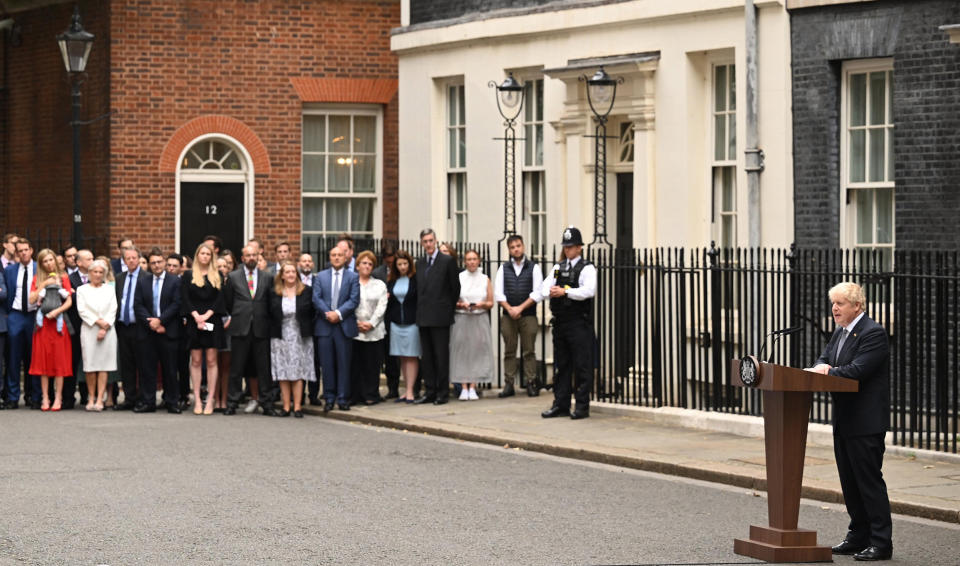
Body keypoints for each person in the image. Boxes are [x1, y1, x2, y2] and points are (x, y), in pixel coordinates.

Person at [809, 282, 893, 561]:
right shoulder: (841, 332)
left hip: (866, 422)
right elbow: (825, 357)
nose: (834, 308)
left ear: (857, 306)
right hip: (844, 420)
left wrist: (828, 370)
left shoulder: (873, 333)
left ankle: (881, 543)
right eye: (833, 303)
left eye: (840, 303)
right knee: (850, 482)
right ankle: (858, 536)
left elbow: (858, 370)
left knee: (868, 482)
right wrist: (823, 366)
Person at [540, 226, 596, 420]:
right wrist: (553, 291)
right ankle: (561, 404)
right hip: (561, 322)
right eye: (566, 247)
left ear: (579, 247)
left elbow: (589, 291)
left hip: (578, 323)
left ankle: (581, 406)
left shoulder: (587, 268)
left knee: (581, 365)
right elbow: (544, 288)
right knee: (562, 365)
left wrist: (566, 292)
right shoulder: (559, 268)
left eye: (571, 247)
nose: (568, 250)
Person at [223, 244, 278, 416]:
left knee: (263, 368)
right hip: (241, 327)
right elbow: (228, 302)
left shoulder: (267, 277)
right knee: (236, 368)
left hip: (261, 328)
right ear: (243, 258)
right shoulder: (233, 277)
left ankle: (267, 404)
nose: (251, 258)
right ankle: (232, 402)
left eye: (254, 255)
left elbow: (271, 303)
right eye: (248, 255)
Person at [414, 228, 460, 405]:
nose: (428, 244)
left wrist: (447, 308)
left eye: (430, 241)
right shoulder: (420, 263)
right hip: (423, 315)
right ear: (421, 243)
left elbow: (455, 288)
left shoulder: (447, 261)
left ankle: (442, 392)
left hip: (440, 316)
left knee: (441, 356)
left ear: (436, 241)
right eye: (425, 241)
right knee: (427, 357)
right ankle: (430, 390)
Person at [494, 234, 543, 397]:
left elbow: (538, 293)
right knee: (509, 350)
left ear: (523, 247)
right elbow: (498, 293)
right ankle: (509, 384)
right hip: (508, 316)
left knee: (529, 350)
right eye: (512, 247)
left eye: (518, 246)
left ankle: (531, 382)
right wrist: (510, 309)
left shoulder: (534, 267)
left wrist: (520, 308)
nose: (516, 249)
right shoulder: (503, 268)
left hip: (528, 315)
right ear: (509, 250)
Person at [134, 248, 182, 413]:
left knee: (170, 368)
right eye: (153, 262)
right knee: (147, 369)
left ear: (164, 262)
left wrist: (161, 321)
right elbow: (138, 305)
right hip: (148, 332)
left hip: (168, 331)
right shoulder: (143, 281)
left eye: (159, 262)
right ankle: (148, 402)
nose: (156, 265)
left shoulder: (175, 281)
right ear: (149, 264)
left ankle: (171, 401)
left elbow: (176, 304)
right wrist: (152, 323)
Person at [312, 245, 360, 411]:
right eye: (334, 255)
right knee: (327, 364)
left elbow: (354, 300)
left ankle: (343, 398)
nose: (337, 257)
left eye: (340, 255)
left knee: (344, 363)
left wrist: (338, 313)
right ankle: (329, 398)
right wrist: (328, 313)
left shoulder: (353, 277)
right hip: (325, 326)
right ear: (330, 257)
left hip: (343, 326)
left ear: (345, 257)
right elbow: (316, 298)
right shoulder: (320, 276)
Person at [181, 243, 226, 415]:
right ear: (197, 255)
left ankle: (210, 399)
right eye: (202, 253)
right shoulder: (188, 275)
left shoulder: (218, 275)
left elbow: (220, 299)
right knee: (196, 360)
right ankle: (198, 399)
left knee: (212, 360)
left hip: (211, 321)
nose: (205, 256)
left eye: (208, 254)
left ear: (211, 257)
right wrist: (195, 316)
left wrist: (206, 316)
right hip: (194, 321)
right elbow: (185, 297)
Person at [28, 248, 74, 411]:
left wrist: (57, 311)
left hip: (58, 324)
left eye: (50, 260)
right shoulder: (37, 279)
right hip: (42, 326)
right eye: (45, 261)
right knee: (43, 363)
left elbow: (69, 301)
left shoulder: (64, 277)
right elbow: (32, 299)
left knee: (59, 362)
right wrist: (44, 284)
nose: (48, 263)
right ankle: (45, 398)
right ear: (41, 264)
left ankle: (58, 398)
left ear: (55, 260)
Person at [268, 261, 315, 417]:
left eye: (293, 272)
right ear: (281, 275)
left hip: (299, 335)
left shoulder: (306, 291)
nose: (290, 275)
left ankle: (297, 407)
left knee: (297, 371)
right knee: (283, 372)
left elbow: (312, 312)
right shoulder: (274, 292)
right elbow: (269, 313)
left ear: (297, 274)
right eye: (287, 272)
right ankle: (286, 406)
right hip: (280, 336)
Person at [450, 249, 494, 401]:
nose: (472, 262)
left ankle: (473, 386)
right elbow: (452, 300)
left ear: (479, 260)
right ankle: (463, 387)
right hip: (462, 317)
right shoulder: (459, 277)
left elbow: (491, 302)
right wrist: (460, 305)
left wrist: (481, 304)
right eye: (469, 259)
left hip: (479, 317)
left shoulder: (485, 279)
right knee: (461, 352)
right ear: (464, 262)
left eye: (474, 259)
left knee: (477, 352)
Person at [75, 259, 117, 411]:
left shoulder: (109, 289)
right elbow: (82, 310)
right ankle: (91, 397)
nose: (98, 275)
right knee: (90, 365)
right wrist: (98, 322)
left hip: (108, 330)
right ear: (89, 273)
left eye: (101, 272)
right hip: (89, 329)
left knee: (104, 365)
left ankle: (100, 398)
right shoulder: (82, 290)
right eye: (95, 272)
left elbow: (113, 308)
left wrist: (105, 326)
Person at [114, 246, 149, 410]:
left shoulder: (146, 277)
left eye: (134, 257)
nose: (132, 261)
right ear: (124, 261)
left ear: (139, 259)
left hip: (140, 326)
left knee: (142, 363)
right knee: (126, 364)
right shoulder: (119, 278)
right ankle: (129, 398)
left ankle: (143, 398)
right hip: (123, 326)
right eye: (128, 258)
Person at [5, 238, 38, 408]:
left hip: (34, 315)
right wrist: (9, 315)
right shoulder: (10, 270)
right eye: (20, 251)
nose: (23, 253)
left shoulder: (39, 268)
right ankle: (12, 397)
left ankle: (32, 396)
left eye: (26, 249)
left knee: (33, 357)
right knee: (13, 358)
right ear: (16, 253)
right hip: (16, 315)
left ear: (31, 250)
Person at [351, 251, 388, 406]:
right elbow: (347, 304)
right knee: (356, 364)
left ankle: (371, 394)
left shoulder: (379, 285)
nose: (366, 266)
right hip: (355, 330)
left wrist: (371, 323)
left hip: (374, 331)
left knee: (372, 365)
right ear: (357, 265)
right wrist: (356, 323)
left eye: (370, 264)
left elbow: (382, 306)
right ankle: (356, 394)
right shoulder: (351, 283)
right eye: (364, 263)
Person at [386, 250, 419, 403]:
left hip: (412, 323)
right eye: (399, 264)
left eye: (405, 264)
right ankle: (405, 389)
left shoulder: (415, 279)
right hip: (396, 323)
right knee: (402, 357)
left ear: (409, 264)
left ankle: (411, 390)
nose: (402, 267)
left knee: (411, 356)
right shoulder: (392, 281)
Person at [65, 249, 94, 408]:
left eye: (92, 258)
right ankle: (69, 397)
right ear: (79, 262)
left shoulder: (96, 277)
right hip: (75, 327)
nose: (92, 261)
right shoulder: (69, 279)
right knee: (73, 361)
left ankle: (87, 395)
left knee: (90, 361)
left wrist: (78, 295)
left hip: (92, 326)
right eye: (88, 259)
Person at [372, 241, 400, 399]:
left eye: (392, 258)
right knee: (380, 357)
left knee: (393, 358)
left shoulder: (401, 270)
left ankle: (394, 388)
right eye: (387, 259)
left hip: (395, 317)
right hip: (380, 318)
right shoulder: (378, 273)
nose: (390, 261)